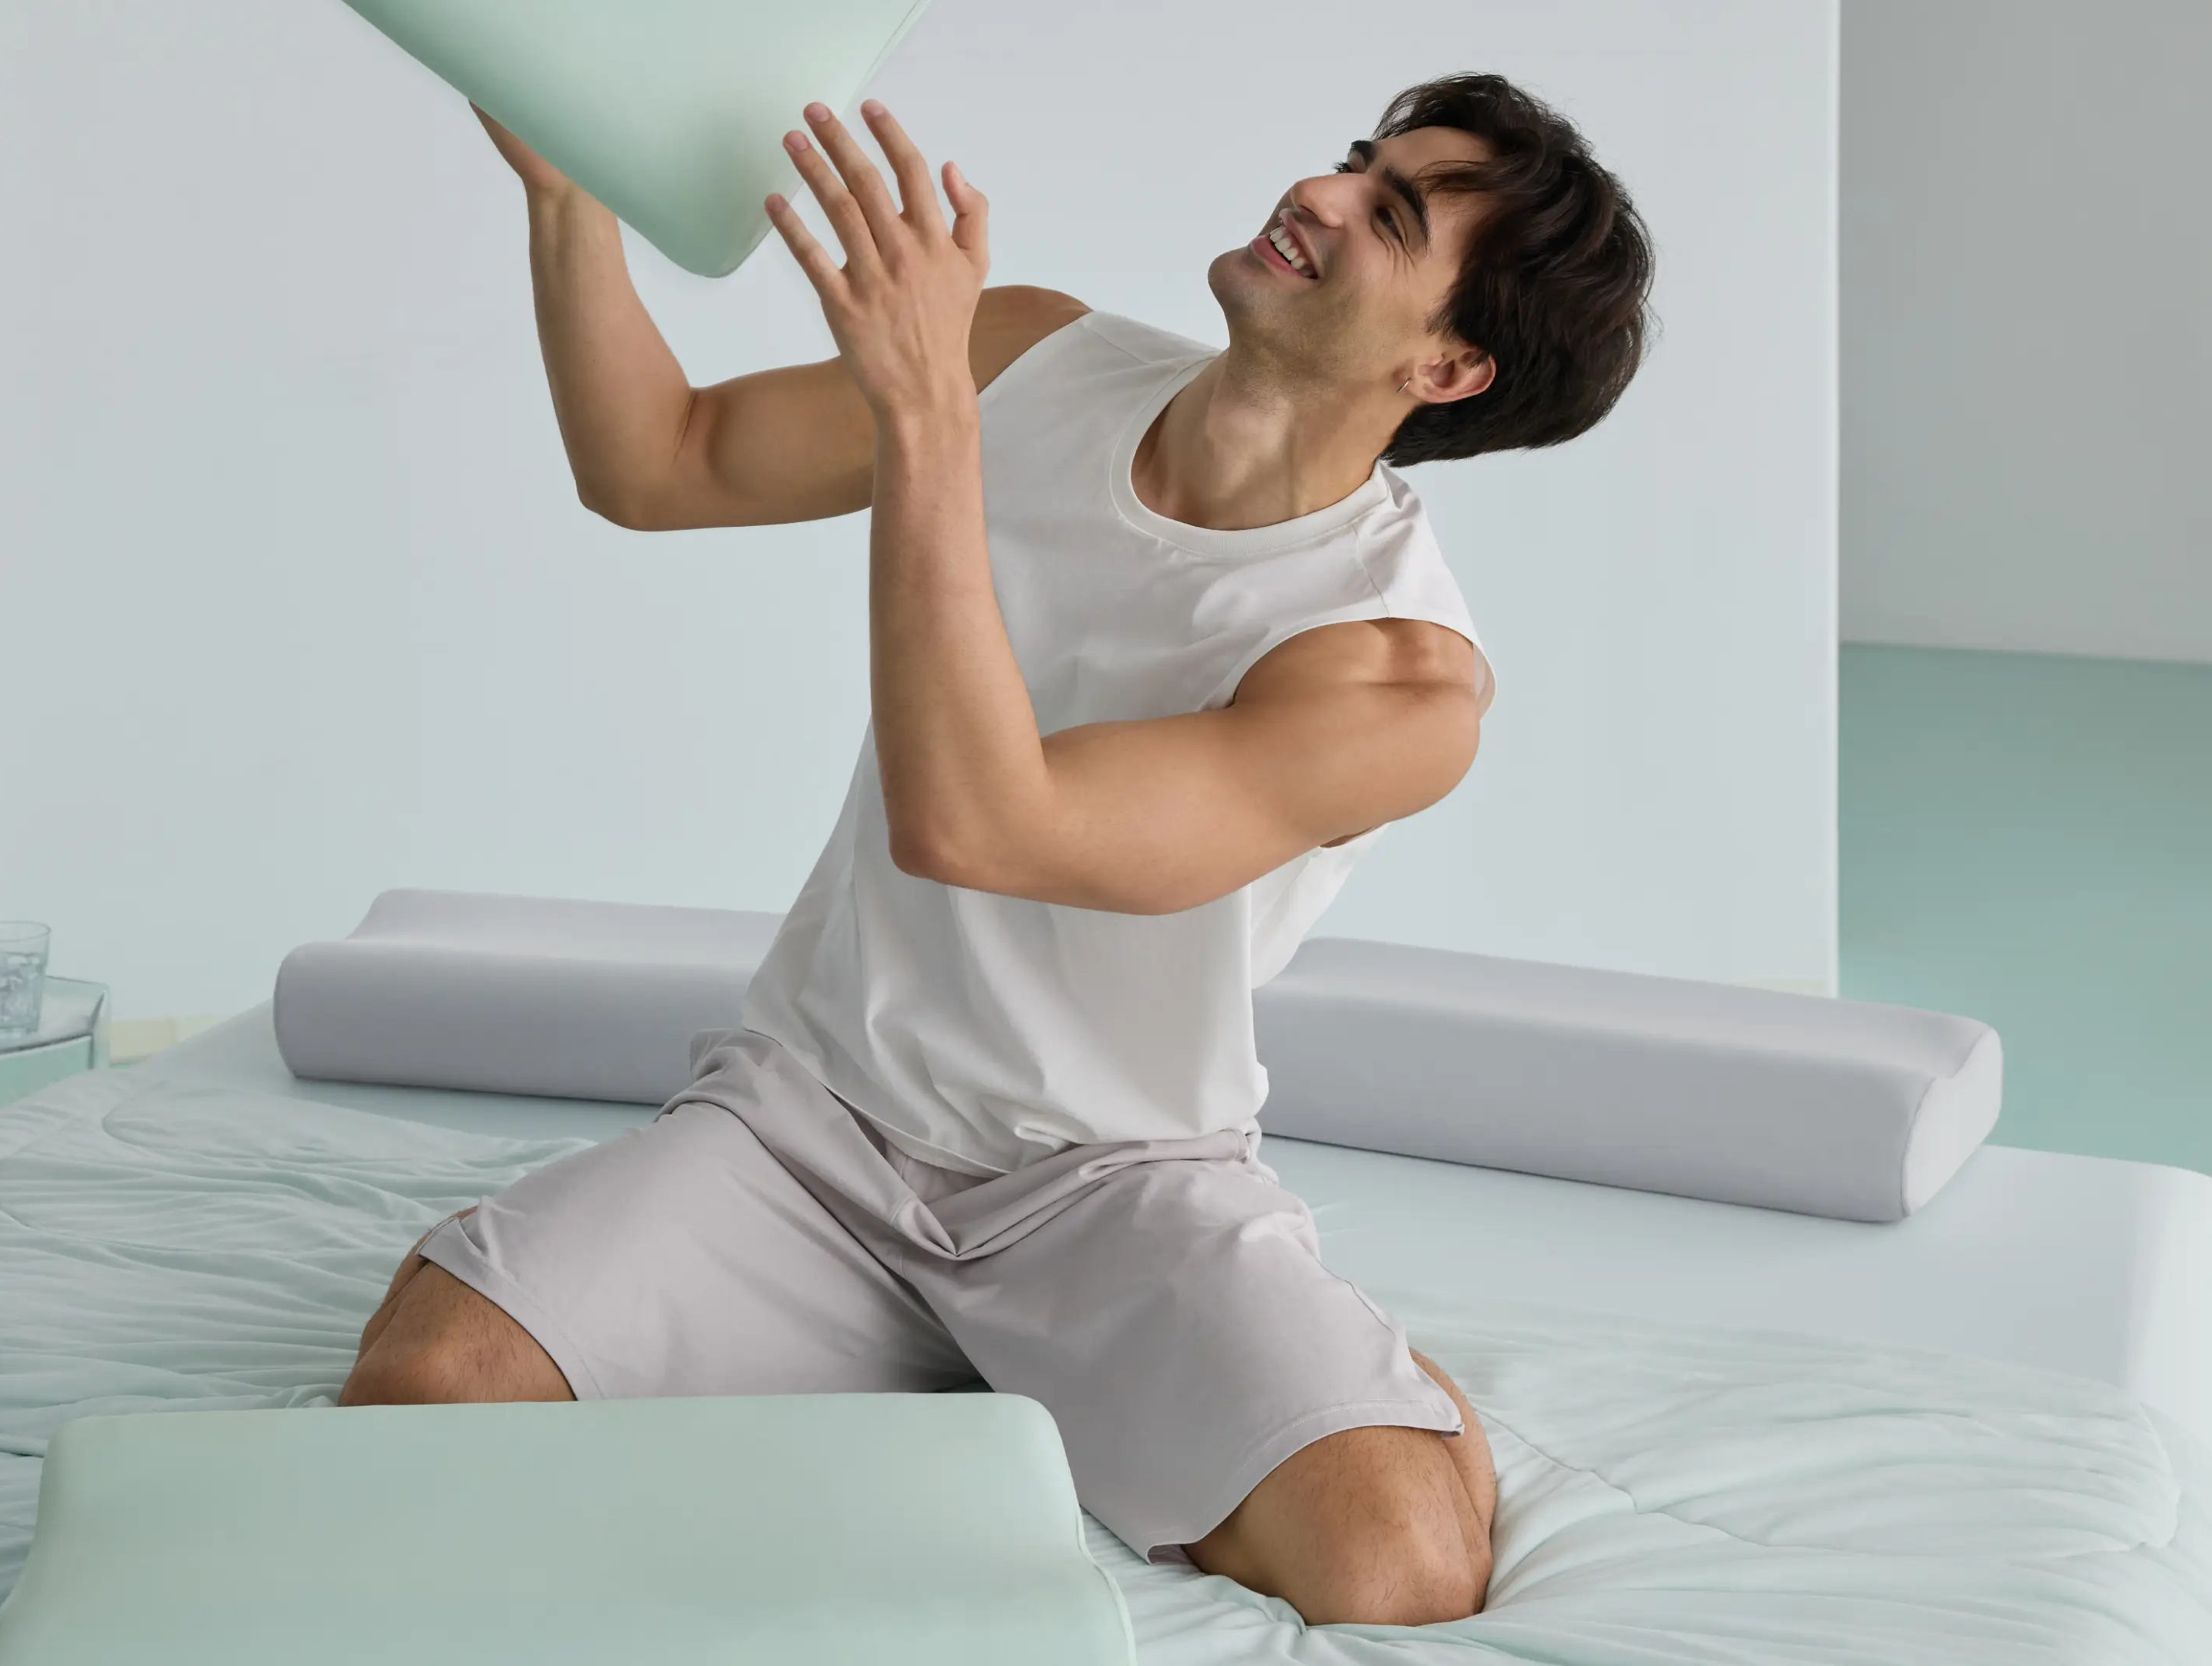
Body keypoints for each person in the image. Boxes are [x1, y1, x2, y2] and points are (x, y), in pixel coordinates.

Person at [342, 73, 1652, 1627]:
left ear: (1449, 364)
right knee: (428, 1386)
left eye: (1391, 215)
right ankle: (938, 1346)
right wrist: (568, 200)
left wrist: (924, 414)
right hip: (812, 1128)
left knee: (1399, 1565)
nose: (1320, 193)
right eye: (1353, 161)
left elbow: (981, 823)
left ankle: (1303, 1359)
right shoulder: (1029, 353)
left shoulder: (1394, 680)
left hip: (1107, 1185)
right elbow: (659, 459)